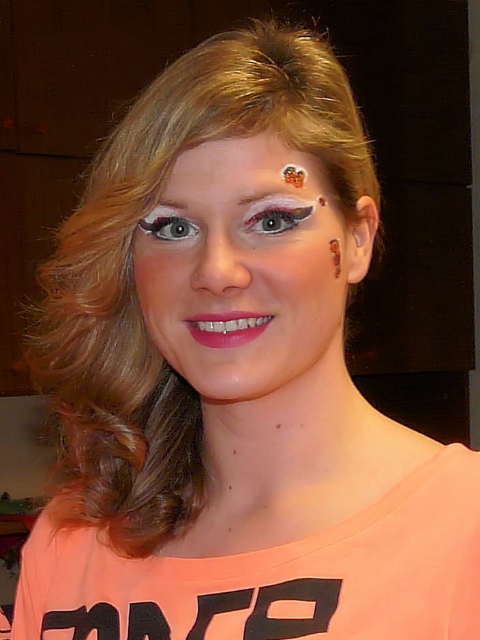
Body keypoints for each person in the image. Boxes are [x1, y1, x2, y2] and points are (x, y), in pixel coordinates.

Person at [11, 19, 480, 640]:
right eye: (173, 228)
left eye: (272, 220)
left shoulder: (464, 532)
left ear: (358, 239)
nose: (216, 272)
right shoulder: (70, 540)